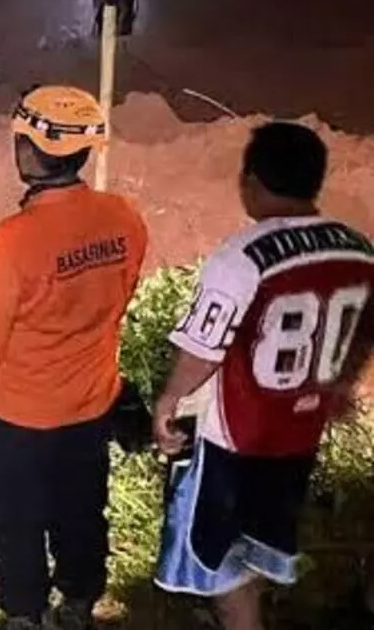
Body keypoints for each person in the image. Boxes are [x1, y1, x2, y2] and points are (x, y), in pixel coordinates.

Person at [0, 85, 150, 630]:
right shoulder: (123, 219)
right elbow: (119, 298)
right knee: (81, 511)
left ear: (27, 150)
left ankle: (24, 612)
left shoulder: (13, 242)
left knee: (11, 519)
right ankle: (78, 603)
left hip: (18, 418)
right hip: (90, 408)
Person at [152, 121, 374, 630]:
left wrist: (169, 402)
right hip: (299, 434)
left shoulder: (242, 256)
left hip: (234, 438)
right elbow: (366, 330)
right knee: (261, 539)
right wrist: (340, 384)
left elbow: (204, 348)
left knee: (217, 559)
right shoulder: (358, 250)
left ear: (250, 182)